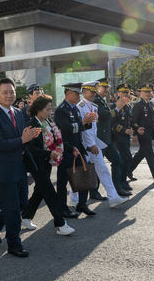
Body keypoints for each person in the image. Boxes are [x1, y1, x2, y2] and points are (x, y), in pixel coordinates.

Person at [0, 78, 41, 258]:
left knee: (22, 204)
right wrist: (22, 140)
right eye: (5, 93)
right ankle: (14, 244)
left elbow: (22, 138)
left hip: (19, 167)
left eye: (12, 92)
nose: (9, 95)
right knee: (13, 209)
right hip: (3, 170)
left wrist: (29, 137)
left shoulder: (17, 113)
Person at [19, 95, 75, 235]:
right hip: (36, 164)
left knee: (39, 192)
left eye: (51, 108)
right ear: (38, 109)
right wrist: (47, 154)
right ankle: (60, 224)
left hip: (47, 164)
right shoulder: (32, 124)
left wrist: (70, 148)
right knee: (50, 194)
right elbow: (30, 148)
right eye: (47, 109)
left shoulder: (49, 122)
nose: (50, 111)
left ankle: (25, 217)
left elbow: (57, 140)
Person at [78, 82, 130, 208]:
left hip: (97, 142)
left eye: (95, 91)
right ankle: (76, 201)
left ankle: (113, 197)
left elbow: (94, 127)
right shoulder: (82, 106)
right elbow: (85, 128)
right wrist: (91, 144)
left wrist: (96, 143)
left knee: (102, 170)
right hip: (87, 144)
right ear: (85, 92)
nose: (94, 93)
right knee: (82, 173)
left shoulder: (94, 105)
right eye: (92, 91)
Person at [54, 82, 97, 217]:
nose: (79, 95)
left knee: (84, 177)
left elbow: (81, 128)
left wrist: (88, 121)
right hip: (66, 149)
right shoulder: (61, 110)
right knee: (62, 182)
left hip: (78, 147)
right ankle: (62, 208)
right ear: (68, 94)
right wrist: (83, 122)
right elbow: (67, 128)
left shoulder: (75, 108)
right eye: (76, 93)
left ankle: (82, 204)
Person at [94, 78, 130, 197]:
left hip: (107, 138)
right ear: (98, 88)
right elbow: (105, 116)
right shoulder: (96, 100)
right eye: (105, 87)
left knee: (118, 161)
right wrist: (117, 108)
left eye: (107, 87)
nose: (107, 90)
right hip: (100, 138)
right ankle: (94, 191)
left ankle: (117, 188)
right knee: (98, 166)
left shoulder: (102, 100)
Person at [127, 84, 154, 184]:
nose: (147, 94)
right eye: (145, 92)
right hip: (142, 134)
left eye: (149, 92)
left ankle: (128, 170)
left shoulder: (150, 104)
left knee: (141, 154)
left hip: (149, 133)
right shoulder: (138, 105)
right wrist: (136, 134)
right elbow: (133, 120)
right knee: (150, 155)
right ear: (140, 93)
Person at [111, 84, 134, 192]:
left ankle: (122, 181)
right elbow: (113, 123)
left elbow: (130, 121)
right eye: (123, 92)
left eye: (127, 92)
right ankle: (121, 182)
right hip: (117, 137)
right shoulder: (115, 106)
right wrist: (124, 130)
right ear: (118, 94)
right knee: (126, 158)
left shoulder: (128, 106)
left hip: (126, 137)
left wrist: (135, 130)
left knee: (126, 159)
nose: (125, 94)